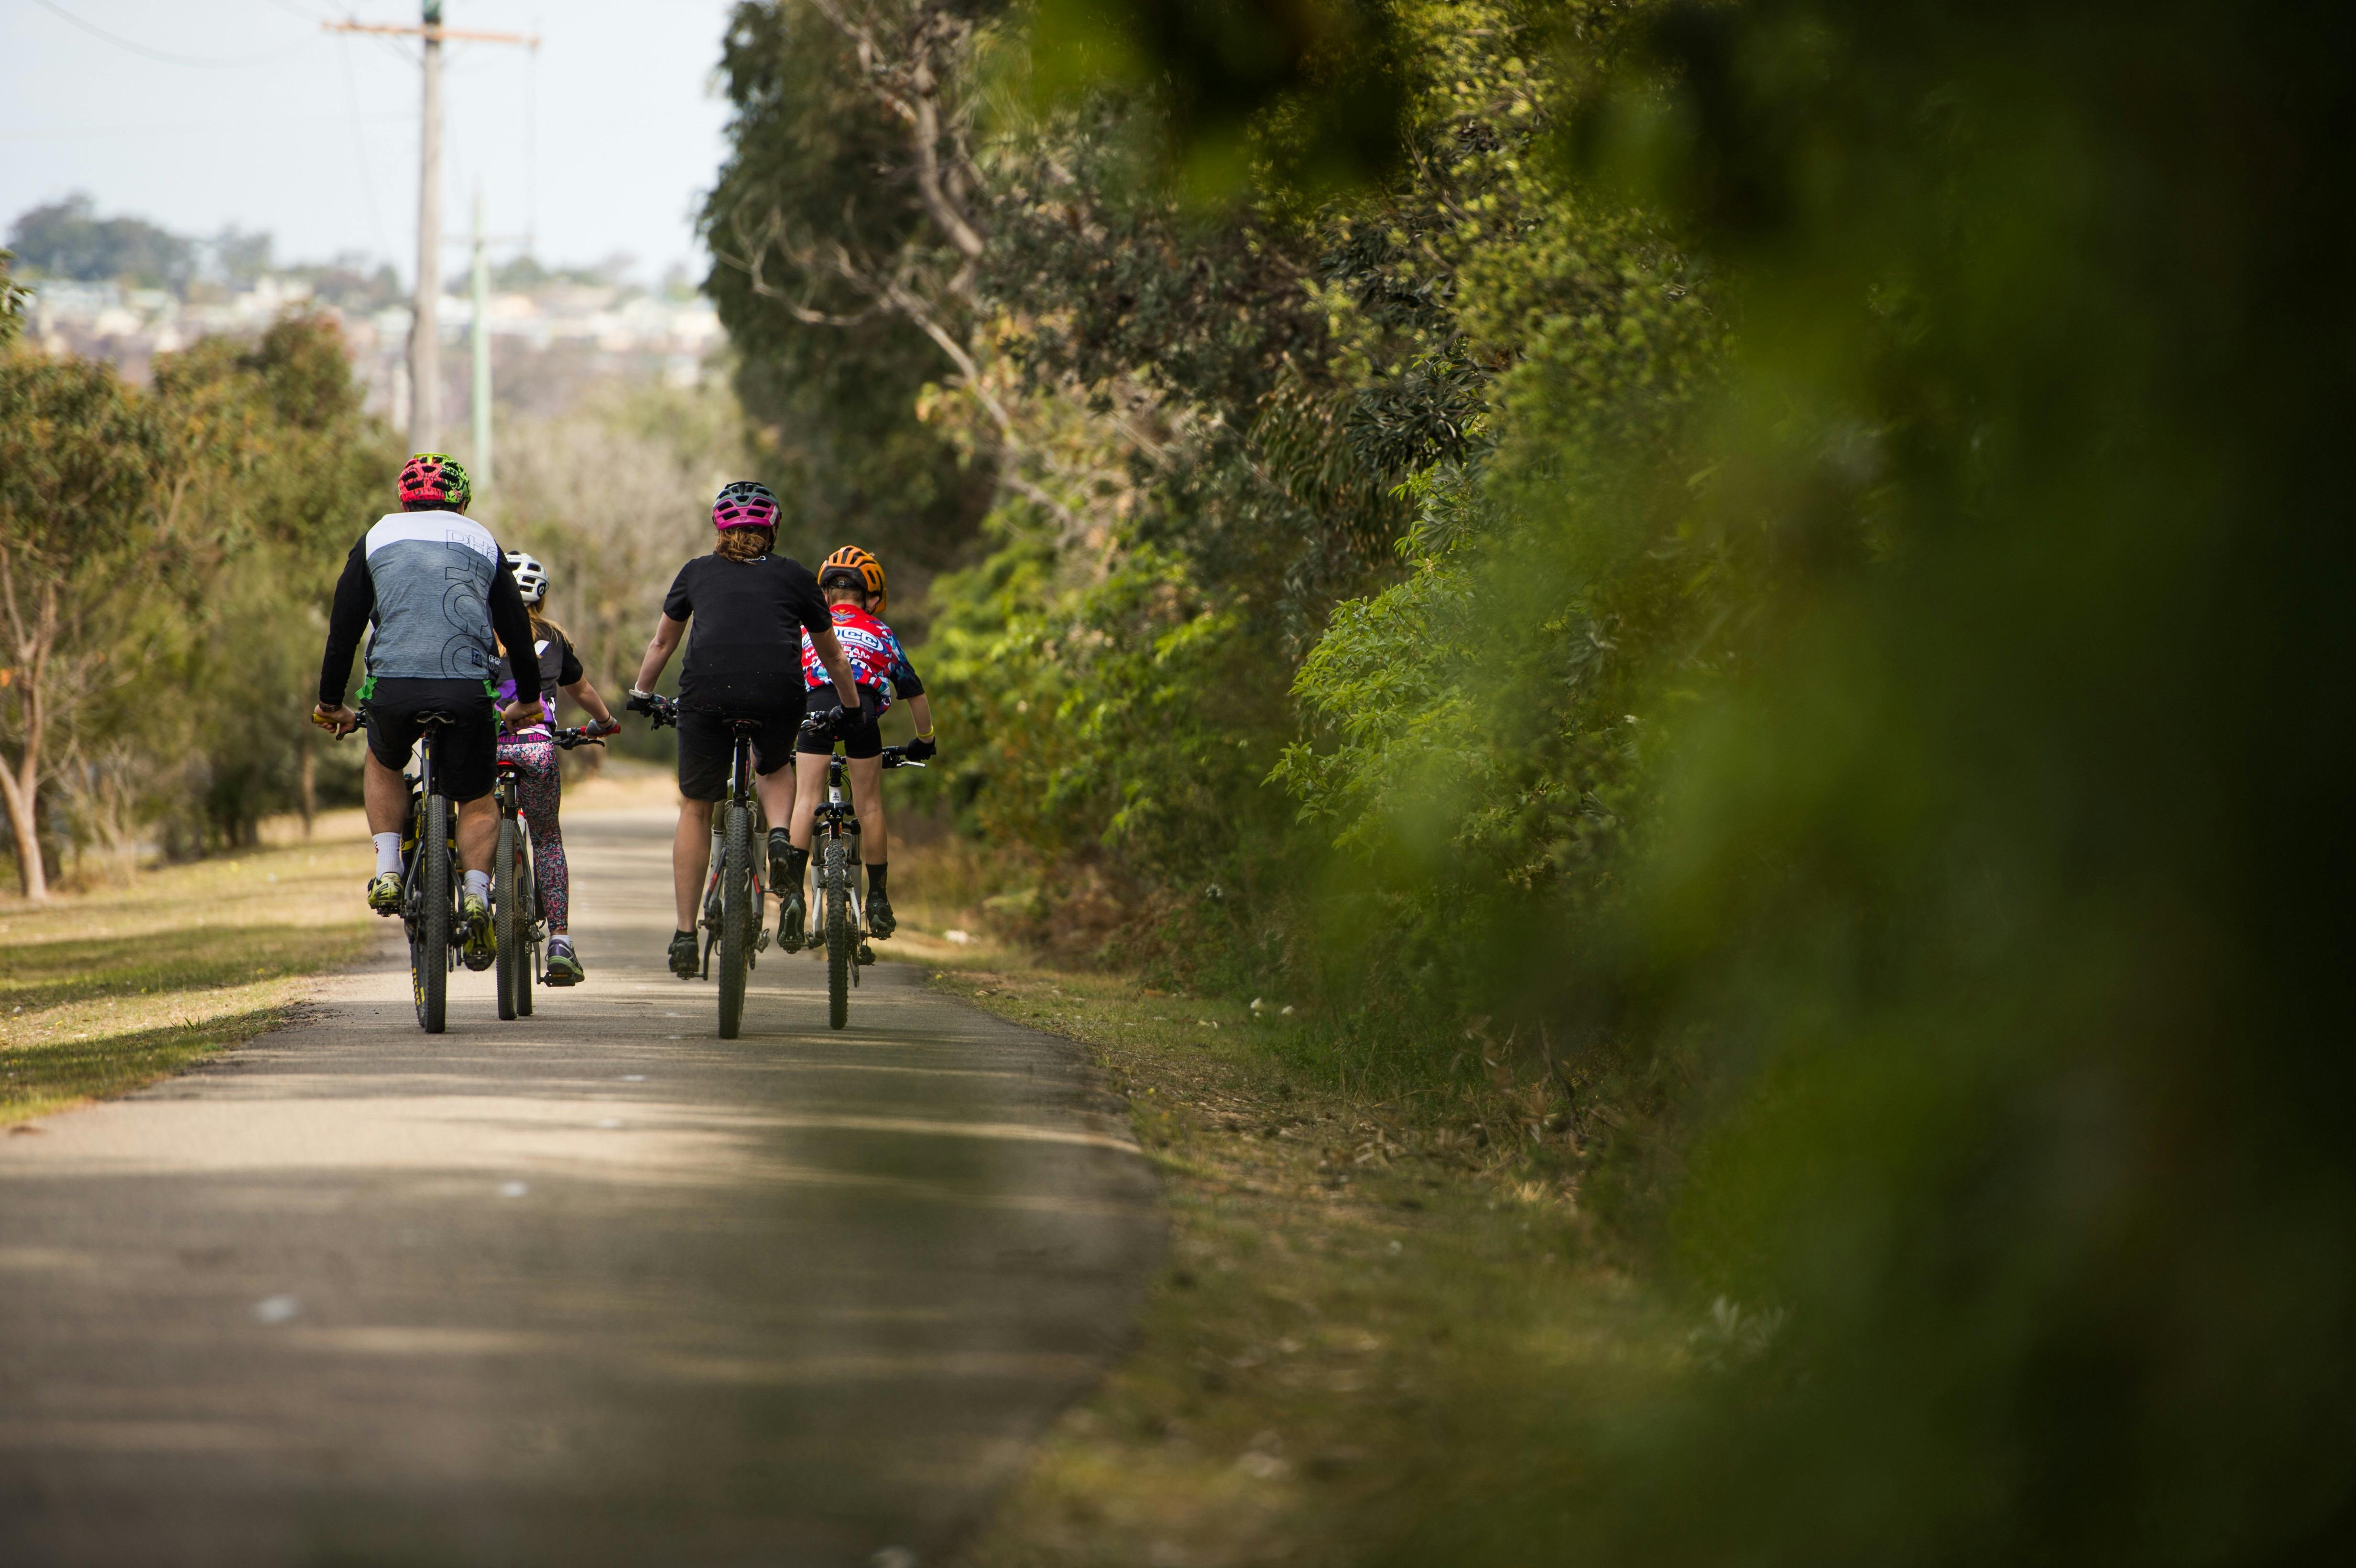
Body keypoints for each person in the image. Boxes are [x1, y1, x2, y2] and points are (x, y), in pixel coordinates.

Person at [626, 481, 864, 980]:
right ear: (772, 529)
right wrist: (851, 707)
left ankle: (686, 935)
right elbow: (833, 655)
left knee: (695, 806)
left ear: (720, 528)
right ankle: (779, 839)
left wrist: (643, 694)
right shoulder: (796, 577)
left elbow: (662, 642)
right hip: (777, 693)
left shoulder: (695, 572)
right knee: (774, 765)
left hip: (705, 694)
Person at [313, 453, 539, 971]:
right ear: (461, 501)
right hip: (467, 691)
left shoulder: (376, 536)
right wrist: (526, 697)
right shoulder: (482, 539)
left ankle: (389, 867)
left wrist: (331, 704)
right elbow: (516, 628)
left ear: (403, 499)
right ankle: (479, 895)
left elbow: (343, 629)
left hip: (393, 689)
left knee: (383, 759)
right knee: (478, 798)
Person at [780, 545, 937, 947]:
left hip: (814, 709)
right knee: (868, 806)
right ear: (871, 596)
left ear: (827, 594)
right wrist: (925, 741)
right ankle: (880, 899)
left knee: (805, 800)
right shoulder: (882, 633)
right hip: (862, 712)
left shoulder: (808, 628)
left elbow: (786, 683)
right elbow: (914, 692)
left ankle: (793, 897)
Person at [492, 552, 622, 985]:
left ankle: (476, 892)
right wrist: (605, 723)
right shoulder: (553, 638)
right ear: (540, 600)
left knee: (474, 819)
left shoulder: (475, 635)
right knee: (547, 840)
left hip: (487, 750)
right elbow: (581, 689)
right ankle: (560, 943)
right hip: (538, 750)